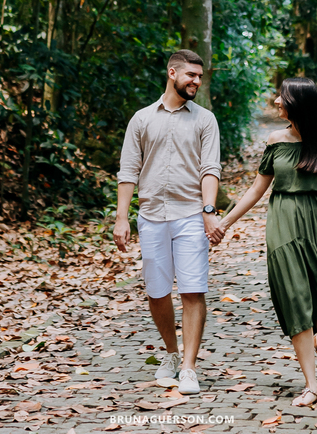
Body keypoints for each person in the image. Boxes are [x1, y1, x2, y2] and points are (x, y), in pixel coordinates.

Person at [218, 77, 317, 407]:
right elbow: (256, 189)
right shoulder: (276, 140)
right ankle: (311, 384)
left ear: (299, 103)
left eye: (283, 98)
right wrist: (224, 222)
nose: (277, 102)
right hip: (283, 225)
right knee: (296, 298)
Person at [113, 49, 224, 395]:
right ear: (172, 72)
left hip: (190, 214)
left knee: (193, 290)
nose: (196, 81)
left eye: (200, 77)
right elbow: (128, 171)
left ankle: (190, 368)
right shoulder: (142, 119)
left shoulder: (205, 120)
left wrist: (208, 212)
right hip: (151, 217)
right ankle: (172, 355)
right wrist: (121, 218)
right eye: (190, 75)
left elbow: (210, 169)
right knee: (157, 292)